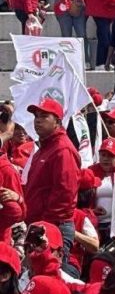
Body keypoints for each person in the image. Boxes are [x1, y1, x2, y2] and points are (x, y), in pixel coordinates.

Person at [24, 98, 81, 253]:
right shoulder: (45, 147)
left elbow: (65, 193)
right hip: (40, 224)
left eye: (44, 116)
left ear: (57, 121)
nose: (38, 121)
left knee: (54, 274)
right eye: (36, 116)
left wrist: (46, 224)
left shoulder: (62, 150)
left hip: (52, 226)